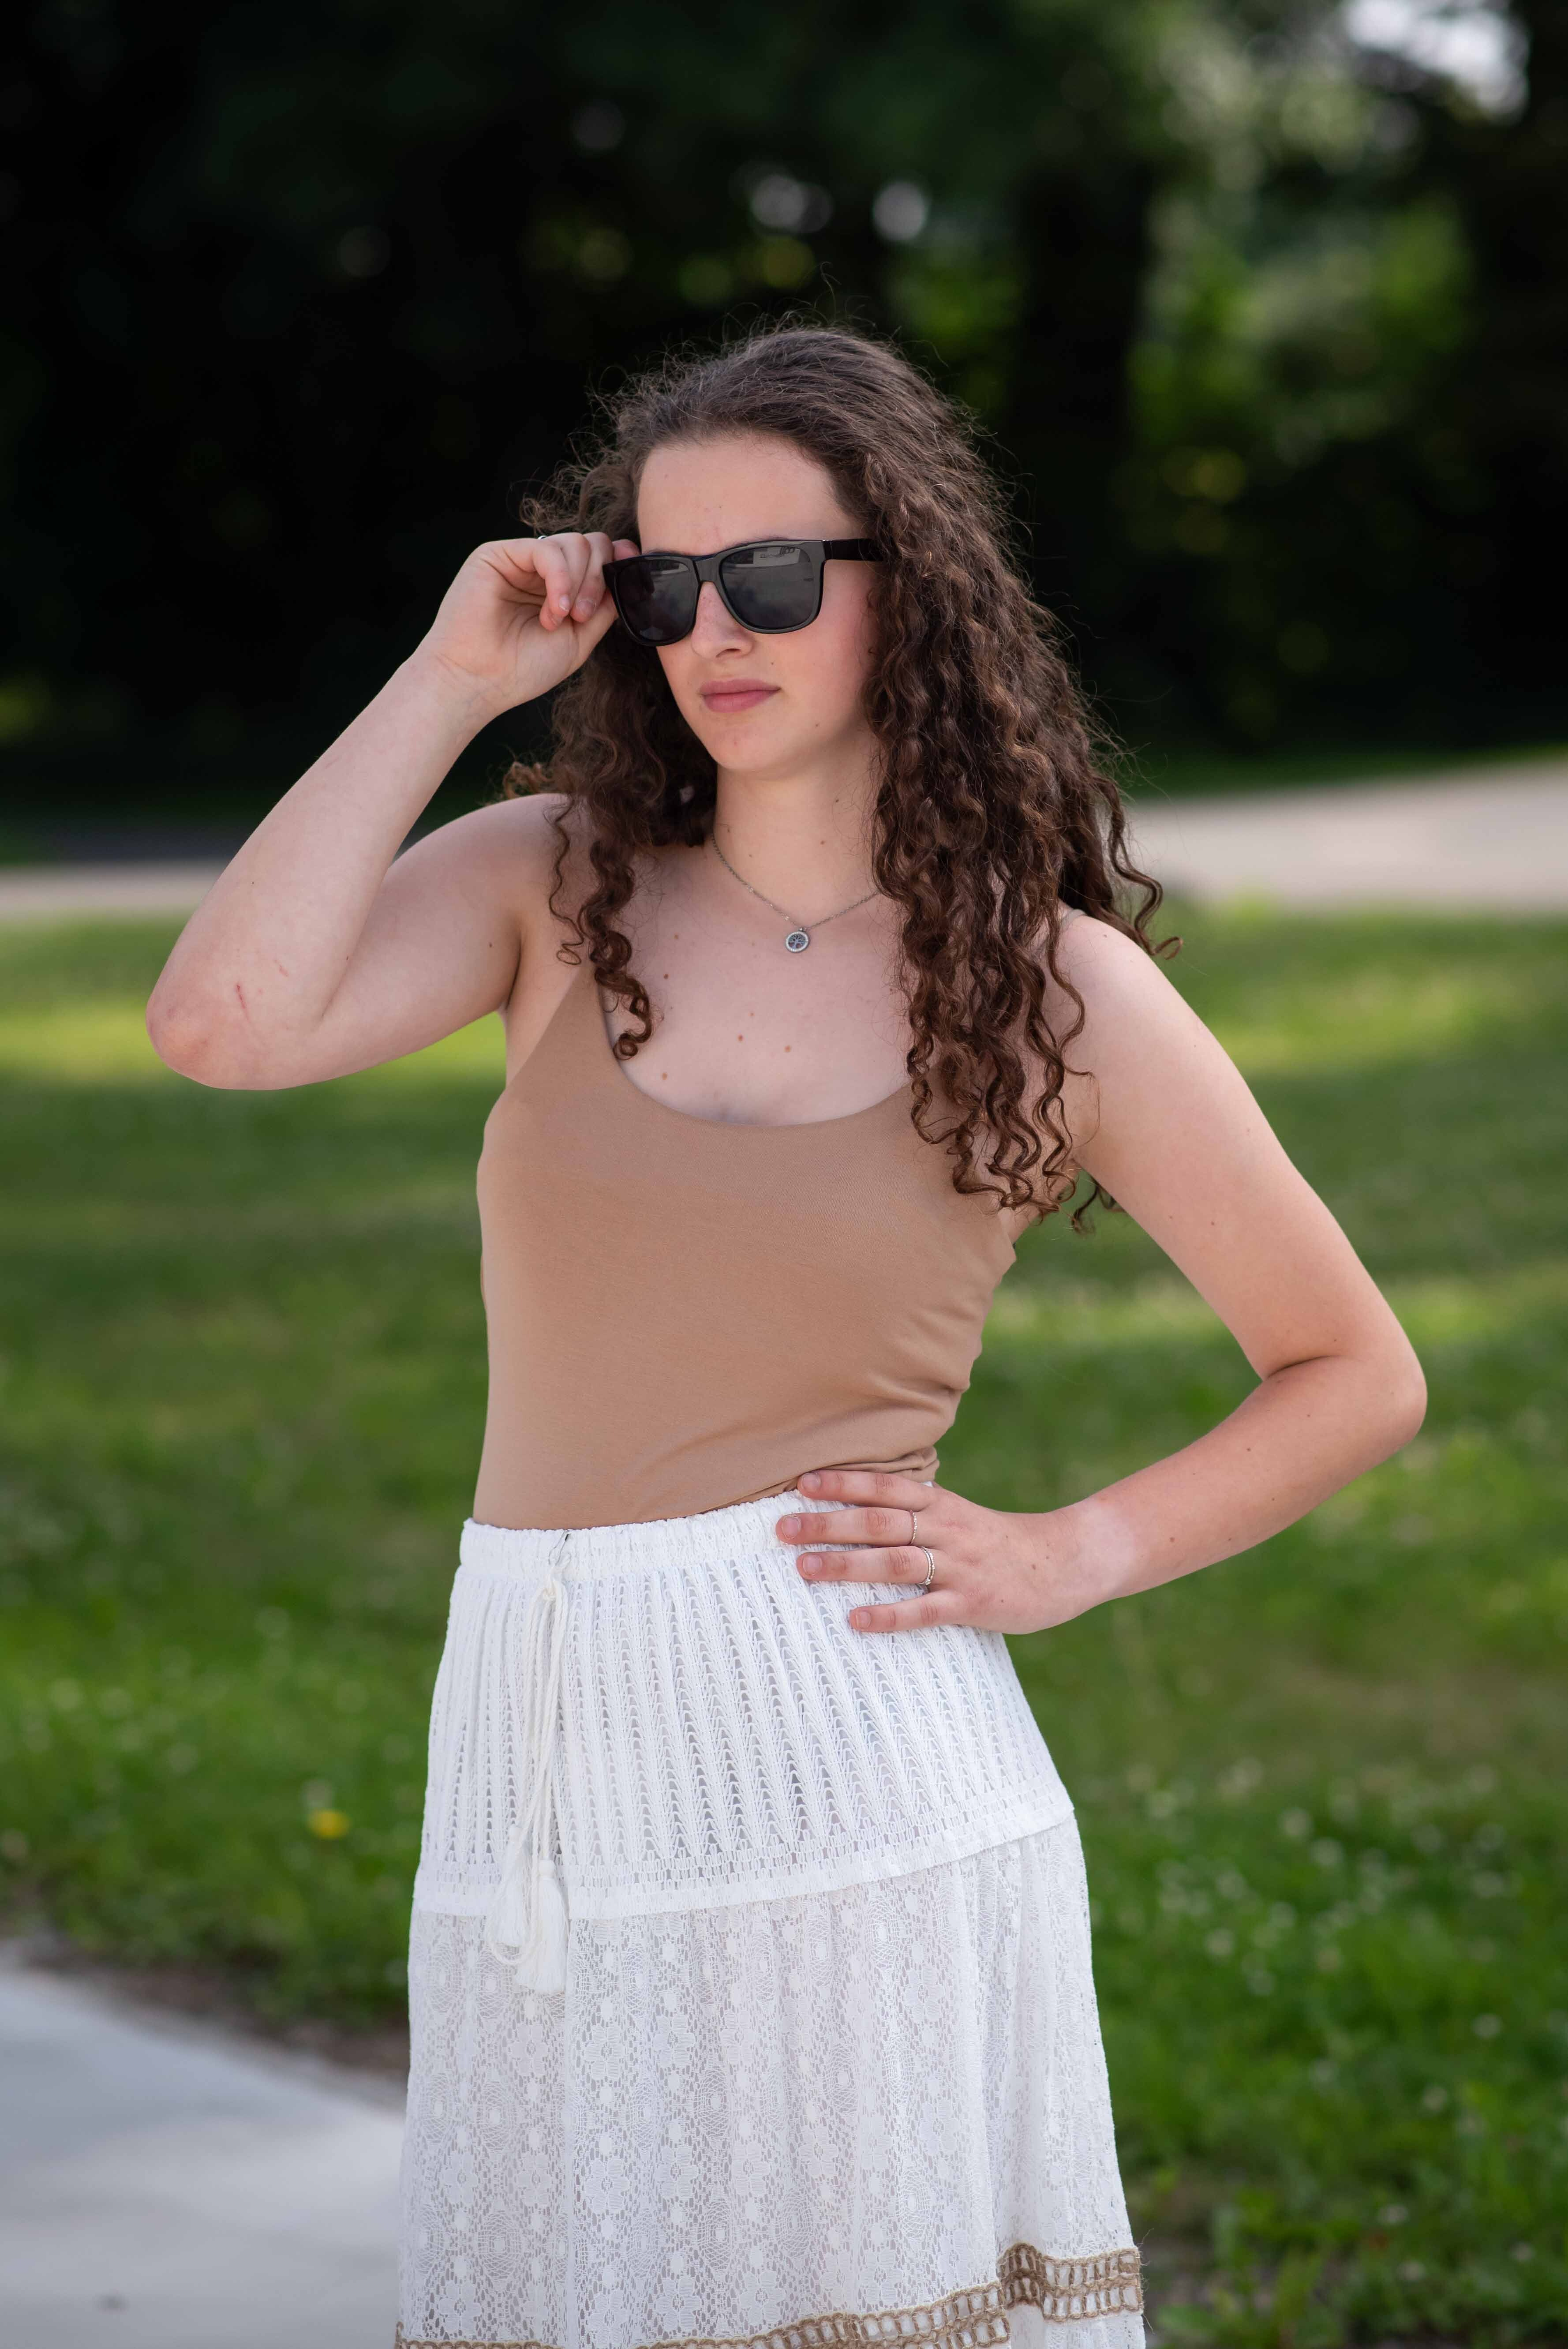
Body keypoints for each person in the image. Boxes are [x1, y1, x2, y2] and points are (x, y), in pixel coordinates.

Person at [146, 320, 1426, 2349]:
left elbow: (1355, 1370)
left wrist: (1070, 1553)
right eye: (666, 585)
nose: (712, 629)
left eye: (767, 574)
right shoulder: (551, 888)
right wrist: (450, 679)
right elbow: (222, 1024)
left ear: (907, 589)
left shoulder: (1049, 985)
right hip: (539, 1755)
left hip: (856, 1766)